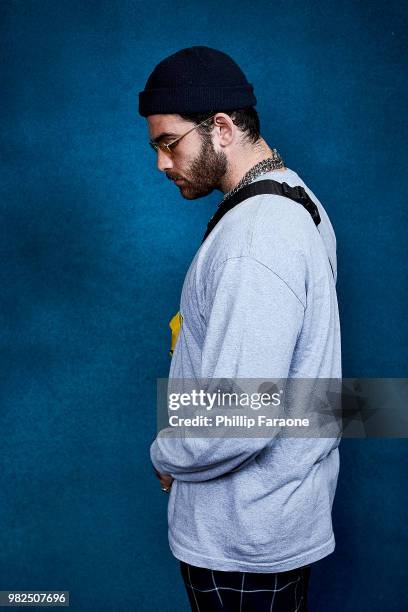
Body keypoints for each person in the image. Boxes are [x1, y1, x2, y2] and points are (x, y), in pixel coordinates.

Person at [138, 46, 341, 612]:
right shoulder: (296, 198)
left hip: (241, 536)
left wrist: (166, 453)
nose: (160, 163)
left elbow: (242, 417)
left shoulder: (255, 239)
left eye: (168, 143)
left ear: (221, 128)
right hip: (271, 518)